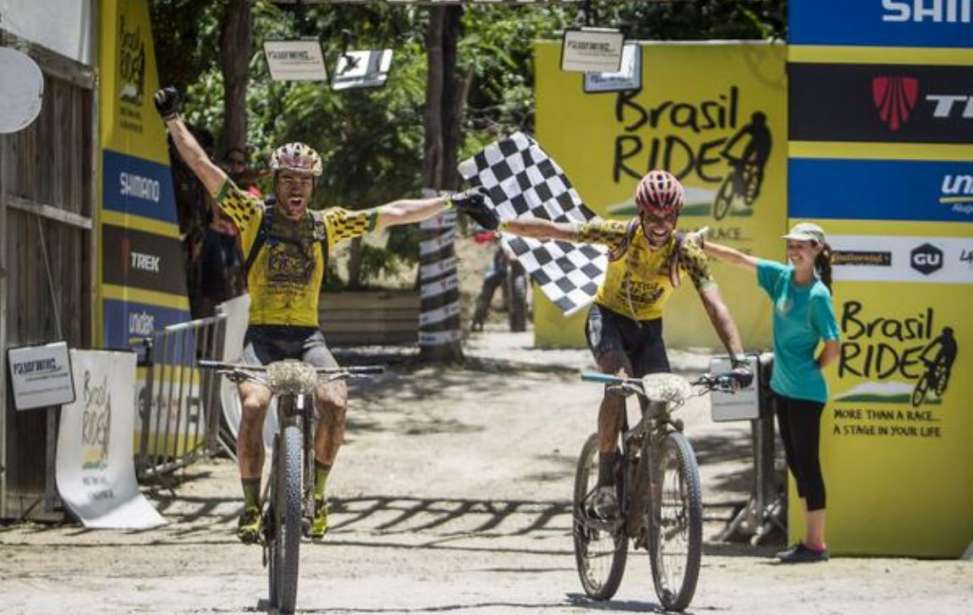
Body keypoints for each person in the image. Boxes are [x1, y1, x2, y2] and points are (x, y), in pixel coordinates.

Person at [153, 86, 494, 543]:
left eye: (305, 182)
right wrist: (174, 119)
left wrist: (455, 201)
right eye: (288, 181)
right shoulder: (253, 216)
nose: (296, 189)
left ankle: (316, 494)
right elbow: (204, 169)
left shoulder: (327, 224)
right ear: (276, 182)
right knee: (253, 407)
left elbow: (393, 213)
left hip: (308, 338)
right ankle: (252, 506)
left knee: (334, 402)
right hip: (263, 336)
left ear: (314, 186)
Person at [497, 170, 752, 519]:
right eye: (653, 215)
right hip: (608, 321)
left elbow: (714, 303)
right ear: (640, 212)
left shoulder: (687, 250)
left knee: (661, 405)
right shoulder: (619, 235)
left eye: (668, 216)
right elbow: (554, 229)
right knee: (618, 385)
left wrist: (738, 359)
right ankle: (604, 483)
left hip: (648, 331)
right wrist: (500, 222)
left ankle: (648, 501)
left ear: (677, 215)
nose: (661, 224)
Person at [691, 222, 840, 563]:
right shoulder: (781, 277)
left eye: (802, 245)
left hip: (806, 394)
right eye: (791, 244)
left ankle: (816, 545)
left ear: (817, 249)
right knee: (797, 467)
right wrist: (704, 246)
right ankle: (808, 541)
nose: (794, 250)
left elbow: (833, 348)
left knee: (808, 466)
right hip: (783, 390)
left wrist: (812, 368)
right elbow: (740, 260)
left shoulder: (818, 295)